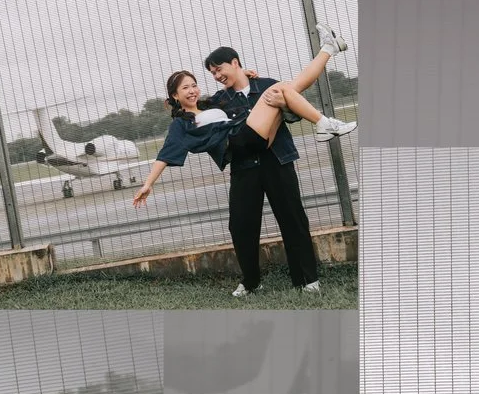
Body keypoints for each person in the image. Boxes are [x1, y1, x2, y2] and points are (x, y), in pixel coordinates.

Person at [132, 27, 356, 297]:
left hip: (276, 157)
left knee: (293, 220)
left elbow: (293, 110)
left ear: (235, 63)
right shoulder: (213, 103)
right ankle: (250, 281)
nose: (215, 77)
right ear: (176, 95)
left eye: (218, 70)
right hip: (243, 160)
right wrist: (148, 183)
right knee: (240, 227)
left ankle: (307, 279)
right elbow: (168, 149)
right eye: (211, 74)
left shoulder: (260, 86)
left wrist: (275, 98)